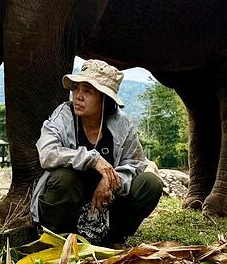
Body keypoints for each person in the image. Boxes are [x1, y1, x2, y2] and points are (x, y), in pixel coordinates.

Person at [30, 59, 163, 245]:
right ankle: (58, 239)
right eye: (76, 89)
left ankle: (113, 238)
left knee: (151, 183)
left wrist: (111, 182)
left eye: (87, 91)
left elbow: (135, 164)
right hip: (66, 204)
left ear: (105, 99)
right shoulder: (63, 115)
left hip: (105, 207)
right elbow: (47, 153)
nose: (78, 96)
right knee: (64, 177)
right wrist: (92, 159)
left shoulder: (122, 125)